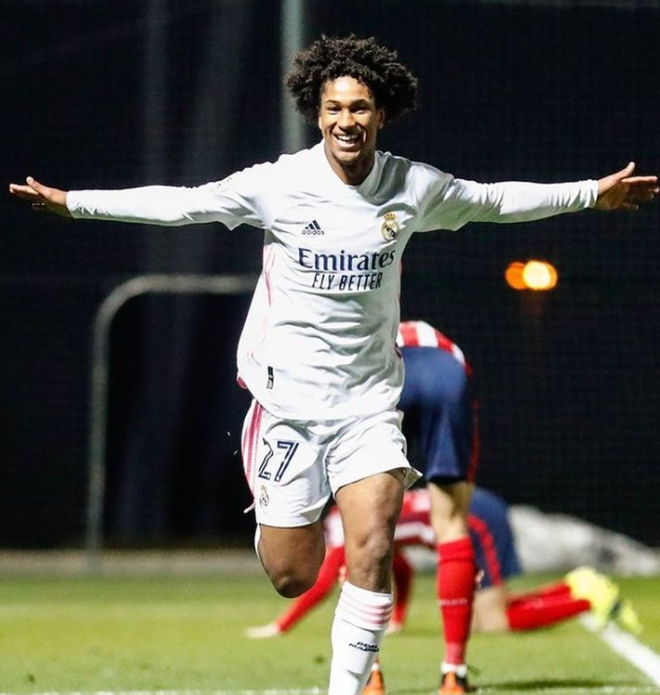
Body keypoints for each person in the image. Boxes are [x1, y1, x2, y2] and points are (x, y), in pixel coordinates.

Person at [9, 34, 658, 695]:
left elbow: (492, 200)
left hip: (369, 404)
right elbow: (183, 203)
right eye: (334, 108)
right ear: (317, 115)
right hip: (289, 406)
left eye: (360, 107)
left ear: (381, 114)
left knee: (373, 544)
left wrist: (589, 194)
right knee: (294, 572)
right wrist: (73, 202)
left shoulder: (411, 185)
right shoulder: (279, 185)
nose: (347, 120)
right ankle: (276, 520)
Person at [246, 487, 642, 694]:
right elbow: (394, 564)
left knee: (493, 621)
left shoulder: (336, 524)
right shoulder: (349, 513)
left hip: (475, 520)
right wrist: (398, 618)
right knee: (493, 610)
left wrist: (281, 626)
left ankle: (586, 598)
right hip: (477, 509)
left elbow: (323, 585)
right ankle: (575, 587)